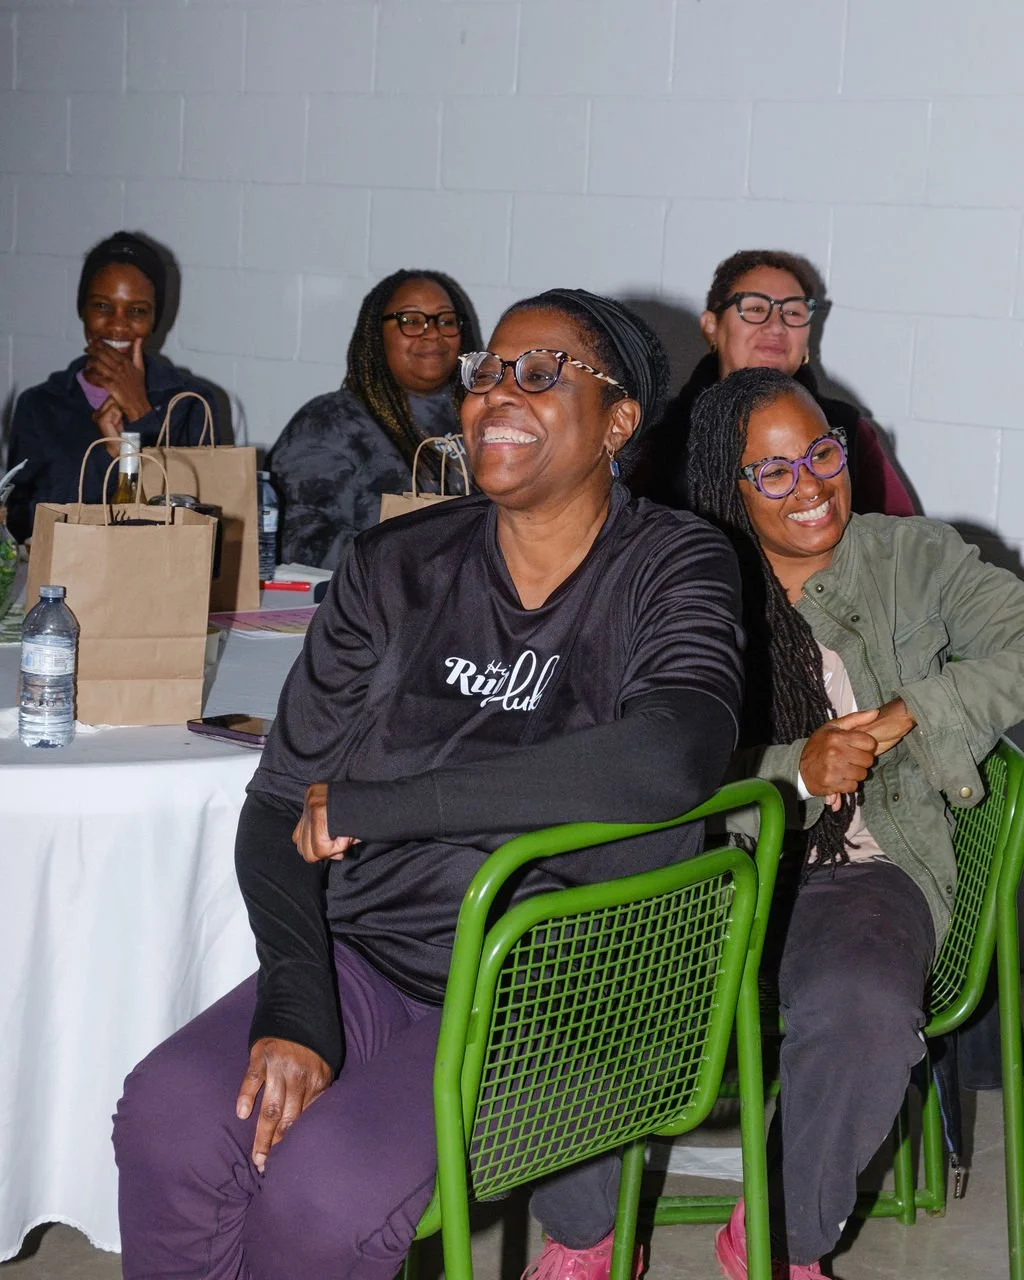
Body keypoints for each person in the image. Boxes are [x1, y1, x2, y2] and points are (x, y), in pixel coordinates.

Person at [112, 289, 745, 1280]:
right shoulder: (393, 564)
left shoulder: (676, 564)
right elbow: (283, 799)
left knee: (325, 1190)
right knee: (171, 1118)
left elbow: (667, 756)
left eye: (539, 373)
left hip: (568, 986)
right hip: (375, 954)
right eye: (486, 370)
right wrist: (298, 1001)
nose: (494, 393)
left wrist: (386, 804)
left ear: (617, 421)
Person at [685, 366, 1024, 1279]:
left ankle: (780, 1240)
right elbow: (644, 760)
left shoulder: (913, 557)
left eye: (822, 454)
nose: (814, 488)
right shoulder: (684, 582)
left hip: (865, 866)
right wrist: (789, 767)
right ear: (729, 486)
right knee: (578, 984)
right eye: (776, 472)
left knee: (866, 1010)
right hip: (704, 867)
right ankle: (583, 1240)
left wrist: (917, 707)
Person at [641, 248, 915, 517]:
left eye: (793, 313)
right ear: (711, 325)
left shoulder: (849, 432)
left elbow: (899, 542)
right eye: (756, 308)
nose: (776, 326)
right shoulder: (655, 432)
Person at [5, 231, 218, 543]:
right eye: (102, 307)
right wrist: (107, 455)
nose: (118, 325)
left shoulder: (191, 402)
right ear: (82, 310)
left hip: (163, 578)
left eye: (136, 311)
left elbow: (197, 518)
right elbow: (20, 524)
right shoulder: (39, 405)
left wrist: (140, 412)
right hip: (63, 578)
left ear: (155, 318)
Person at [267, 268, 482, 568]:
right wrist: (409, 566)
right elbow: (295, 536)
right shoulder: (331, 423)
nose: (432, 333)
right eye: (411, 321)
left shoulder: (485, 412)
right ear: (376, 335)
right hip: (380, 605)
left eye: (445, 320)